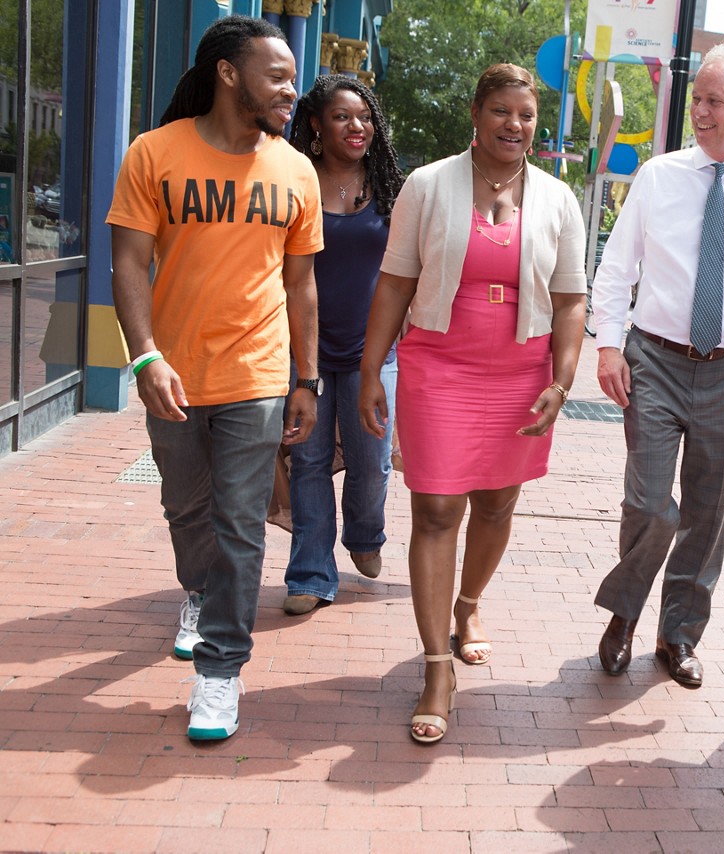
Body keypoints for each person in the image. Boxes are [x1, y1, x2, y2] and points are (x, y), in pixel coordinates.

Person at [108, 16, 323, 741]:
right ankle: (197, 592)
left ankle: (220, 672)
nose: (292, 89)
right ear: (229, 73)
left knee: (240, 522)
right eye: (278, 75)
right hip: (172, 372)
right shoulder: (154, 154)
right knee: (186, 510)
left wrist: (307, 378)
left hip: (258, 375)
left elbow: (302, 284)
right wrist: (144, 357)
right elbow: (129, 263)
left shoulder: (296, 169)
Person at [358, 63, 587, 744]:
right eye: (502, 113)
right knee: (434, 510)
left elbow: (572, 298)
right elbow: (395, 282)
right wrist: (373, 369)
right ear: (475, 112)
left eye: (527, 116)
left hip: (521, 371)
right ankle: (435, 668)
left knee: (496, 503)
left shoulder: (557, 199)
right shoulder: (428, 187)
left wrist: (563, 377)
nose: (515, 126)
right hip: (440, 365)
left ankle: (469, 605)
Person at [591, 43, 724, 689]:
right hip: (653, 360)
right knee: (652, 504)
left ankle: (677, 635)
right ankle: (624, 613)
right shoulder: (659, 177)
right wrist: (607, 343)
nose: (701, 113)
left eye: (713, 101)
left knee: (709, 514)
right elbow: (615, 267)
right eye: (697, 101)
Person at [280, 75, 406, 616]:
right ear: (315, 125)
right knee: (305, 460)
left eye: (364, 117)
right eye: (341, 117)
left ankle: (365, 534)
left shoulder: (393, 190)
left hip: (372, 353)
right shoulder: (294, 182)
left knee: (372, 458)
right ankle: (309, 574)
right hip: (303, 349)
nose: (357, 127)